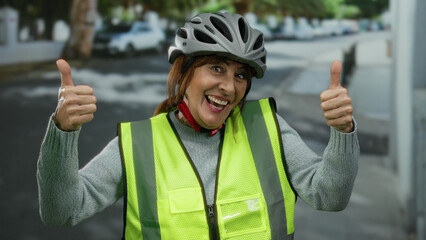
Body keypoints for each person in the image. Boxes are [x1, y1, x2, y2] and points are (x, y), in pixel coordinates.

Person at [37, 11, 359, 240]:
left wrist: (342, 132)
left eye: (240, 75)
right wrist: (63, 131)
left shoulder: (267, 128)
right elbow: (61, 211)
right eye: (216, 68)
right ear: (184, 72)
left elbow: (330, 196)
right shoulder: (139, 145)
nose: (229, 87)